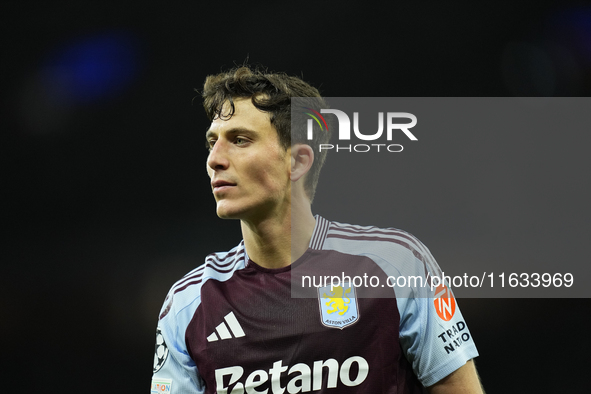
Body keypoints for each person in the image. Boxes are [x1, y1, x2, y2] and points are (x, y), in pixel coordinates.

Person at [150, 65, 485, 394]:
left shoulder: (396, 264)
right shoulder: (188, 304)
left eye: (239, 139)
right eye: (213, 142)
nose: (215, 159)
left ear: (298, 161)